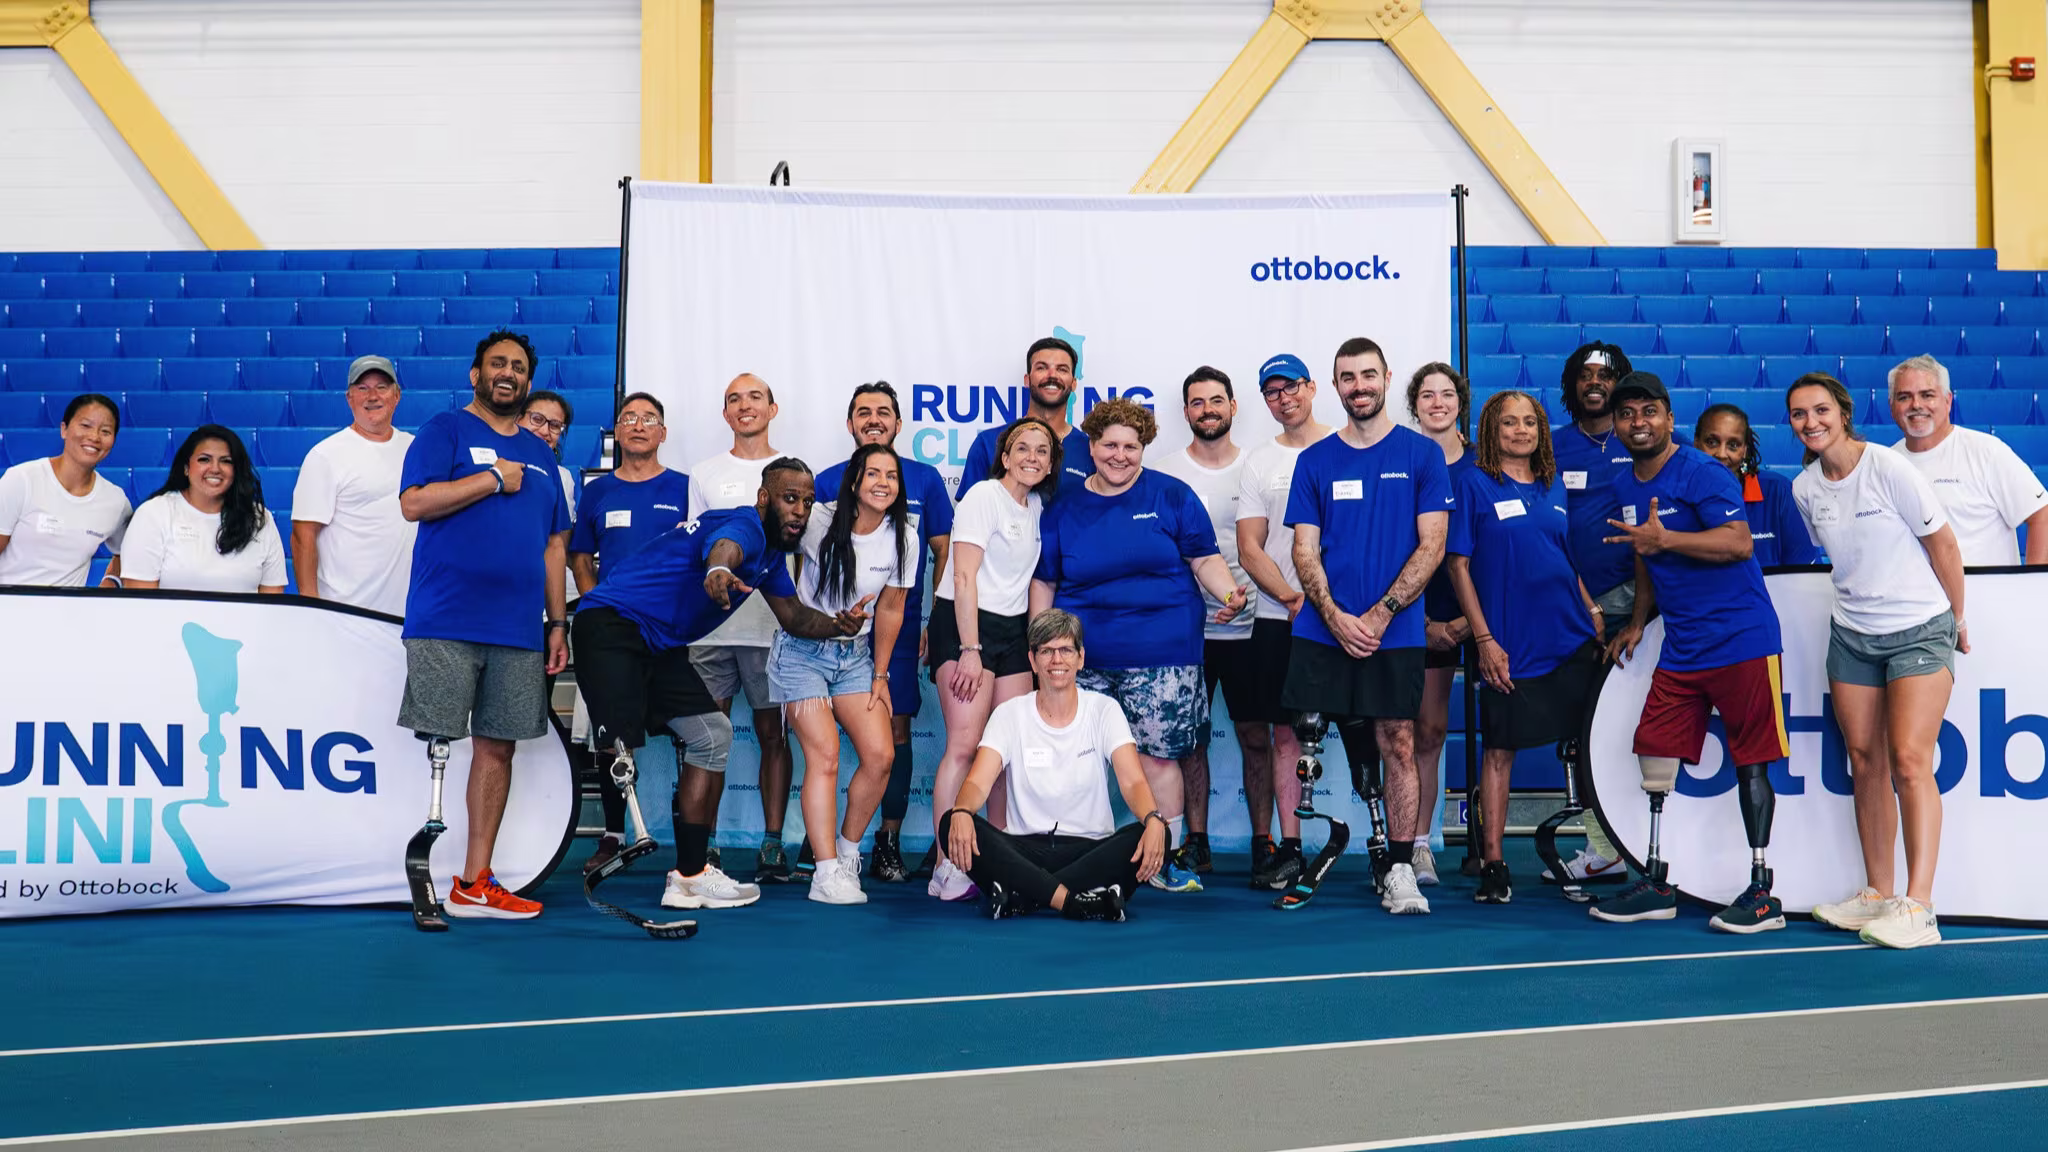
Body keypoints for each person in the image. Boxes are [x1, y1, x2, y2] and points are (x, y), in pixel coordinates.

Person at [576, 457, 869, 913]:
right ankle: (618, 838)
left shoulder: (771, 559)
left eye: (808, 503)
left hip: (659, 644)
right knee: (616, 745)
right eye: (790, 499)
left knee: (713, 734)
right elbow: (724, 547)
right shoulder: (746, 527)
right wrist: (716, 571)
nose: (800, 511)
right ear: (763, 498)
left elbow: (792, 617)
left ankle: (688, 877)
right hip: (612, 626)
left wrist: (839, 626)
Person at [1031, 396, 1248, 895]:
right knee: (1077, 758)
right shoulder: (1063, 508)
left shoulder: (1172, 495)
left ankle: (1164, 860)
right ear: (1092, 446)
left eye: (1132, 446)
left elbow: (1204, 559)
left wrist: (1228, 593)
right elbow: (1044, 582)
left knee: (1157, 760)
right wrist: (1042, 645)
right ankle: (1076, 857)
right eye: (1110, 445)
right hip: (1081, 660)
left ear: (1144, 447)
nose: (1120, 456)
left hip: (1162, 656)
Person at [1598, 371, 1790, 933]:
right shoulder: (1627, 484)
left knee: (1751, 759)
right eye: (1627, 413)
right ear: (1616, 424)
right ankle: (1657, 881)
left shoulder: (1702, 471)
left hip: (1741, 640)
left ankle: (1761, 891)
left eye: (1649, 411)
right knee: (1655, 752)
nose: (1639, 422)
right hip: (1683, 645)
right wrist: (1637, 620)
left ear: (1668, 417)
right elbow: (1643, 551)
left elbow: (1736, 543)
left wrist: (1668, 541)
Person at [1790, 372, 1968, 950]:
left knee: (1911, 760)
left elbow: (1942, 544)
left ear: (1842, 412)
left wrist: (1956, 620)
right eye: (1798, 414)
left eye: (1820, 410)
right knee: (1864, 760)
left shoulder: (1889, 468)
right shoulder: (1804, 488)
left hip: (1919, 629)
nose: (1811, 422)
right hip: (1852, 635)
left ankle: (1920, 908)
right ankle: (1878, 892)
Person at [396, 329, 570, 920]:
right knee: (438, 743)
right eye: (496, 363)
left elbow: (553, 546)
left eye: (518, 367)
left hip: (519, 629)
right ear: (476, 374)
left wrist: (557, 623)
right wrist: (493, 477)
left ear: (527, 380)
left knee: (499, 749)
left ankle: (475, 881)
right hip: (445, 618)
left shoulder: (544, 453)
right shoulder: (444, 429)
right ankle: (410, 870)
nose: (507, 373)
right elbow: (415, 503)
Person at [1283, 337, 1451, 916]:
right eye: (1347, 377)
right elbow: (1305, 550)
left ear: (1385, 379)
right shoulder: (1315, 460)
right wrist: (1333, 616)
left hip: (1395, 631)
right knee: (1296, 740)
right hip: (1323, 630)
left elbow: (1433, 545)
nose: (1359, 386)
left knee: (1397, 743)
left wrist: (1379, 615)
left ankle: (1400, 866)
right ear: (1335, 387)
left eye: (1368, 375)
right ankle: (1286, 850)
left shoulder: (1422, 456)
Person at [1445, 391, 1604, 904]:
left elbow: (1565, 556)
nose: (1520, 430)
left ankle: (1603, 852)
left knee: (1592, 748)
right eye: (1509, 422)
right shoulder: (1472, 484)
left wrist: (1594, 612)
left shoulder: (1554, 483)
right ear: (1492, 429)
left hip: (1572, 637)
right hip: (1509, 646)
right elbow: (1458, 567)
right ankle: (1494, 862)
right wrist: (1485, 639)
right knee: (1499, 752)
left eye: (1530, 422)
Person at [941, 609, 1170, 922]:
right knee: (950, 822)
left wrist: (1153, 817)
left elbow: (1133, 782)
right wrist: (963, 811)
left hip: (1092, 848)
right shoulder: (1010, 714)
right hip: (1024, 849)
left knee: (1157, 831)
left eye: (1065, 650)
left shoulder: (1104, 710)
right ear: (1033, 661)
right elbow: (978, 782)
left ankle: (1022, 896)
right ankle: (1079, 900)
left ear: (1080, 658)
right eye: (1046, 651)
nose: (1056, 660)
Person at [813, 382, 953, 883]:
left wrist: (932, 621)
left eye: (884, 413)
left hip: (897, 627)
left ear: (899, 424)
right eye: (863, 412)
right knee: (823, 742)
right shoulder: (827, 480)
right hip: (825, 634)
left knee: (893, 735)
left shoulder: (925, 478)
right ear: (849, 423)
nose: (874, 419)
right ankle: (824, 846)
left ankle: (887, 841)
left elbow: (943, 552)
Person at [773, 443, 919, 904]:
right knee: (827, 757)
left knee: (880, 756)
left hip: (856, 658)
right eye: (872, 473)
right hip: (802, 653)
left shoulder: (905, 537)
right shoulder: (817, 520)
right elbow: (768, 535)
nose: (882, 483)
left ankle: (847, 853)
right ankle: (823, 873)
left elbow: (892, 609)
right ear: (855, 481)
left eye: (891, 476)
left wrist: (880, 674)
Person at [926, 417, 1057, 901]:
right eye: (1023, 448)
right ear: (1004, 456)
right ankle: (946, 865)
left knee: (1005, 751)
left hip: (1012, 630)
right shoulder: (983, 495)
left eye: (1042, 451)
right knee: (965, 746)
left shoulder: (1040, 506)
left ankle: (999, 860)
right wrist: (970, 649)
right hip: (965, 626)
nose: (1032, 457)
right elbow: (963, 577)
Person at [568, 391, 690, 873]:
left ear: (663, 432)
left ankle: (694, 839)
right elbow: (580, 557)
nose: (639, 425)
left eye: (649, 419)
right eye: (629, 418)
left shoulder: (685, 487)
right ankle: (614, 834)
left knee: (691, 732)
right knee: (609, 735)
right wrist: (595, 601)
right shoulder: (597, 491)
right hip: (611, 636)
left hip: (667, 632)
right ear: (618, 431)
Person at [686, 374, 798, 882]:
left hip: (769, 631)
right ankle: (700, 847)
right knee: (709, 737)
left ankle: (772, 845)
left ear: (773, 408)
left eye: (755, 396)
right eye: (734, 398)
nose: (745, 405)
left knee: (773, 735)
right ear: (725, 413)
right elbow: (695, 550)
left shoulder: (791, 470)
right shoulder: (704, 472)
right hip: (711, 631)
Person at [1149, 366, 1257, 876]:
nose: (1208, 409)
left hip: (1252, 626)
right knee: (1188, 742)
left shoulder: (1257, 467)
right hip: (1184, 630)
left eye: (1217, 400)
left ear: (1233, 407)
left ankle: (1265, 843)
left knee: (1258, 737)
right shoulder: (1164, 472)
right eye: (1197, 402)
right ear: (1186, 411)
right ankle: (1195, 841)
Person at [1234, 354, 1333, 889]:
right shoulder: (1258, 461)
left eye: (1291, 386)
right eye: (1272, 392)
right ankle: (1290, 848)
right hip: (1281, 616)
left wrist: (1333, 606)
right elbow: (1250, 548)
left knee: (1372, 732)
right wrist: (1297, 600)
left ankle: (1389, 848)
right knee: (1285, 737)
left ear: (1311, 387)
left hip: (1347, 619)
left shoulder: (1346, 447)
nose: (1283, 398)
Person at [1543, 341, 1637, 886]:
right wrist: (1584, 604)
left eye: (1605, 375)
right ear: (1572, 386)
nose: (1594, 383)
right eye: (1584, 375)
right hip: (1576, 608)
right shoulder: (1552, 448)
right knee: (1581, 731)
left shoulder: (1645, 440)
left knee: (1627, 727)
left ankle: (1640, 839)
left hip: (1641, 608)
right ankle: (1602, 847)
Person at [1407, 361, 1478, 886]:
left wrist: (1469, 622)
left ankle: (1488, 848)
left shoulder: (1484, 464)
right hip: (1420, 617)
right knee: (1423, 732)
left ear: (1460, 402)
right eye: (1427, 394)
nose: (1437, 402)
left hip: (1479, 615)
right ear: (1413, 404)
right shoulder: (1402, 461)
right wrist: (1428, 620)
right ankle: (1417, 844)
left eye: (1446, 393)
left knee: (1498, 736)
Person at [1888, 354, 2048, 566]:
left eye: (1927, 395)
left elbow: (2041, 514)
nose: (1916, 404)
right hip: (1914, 597)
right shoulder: (1886, 463)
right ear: (1891, 406)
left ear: (1948, 401)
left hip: (1988, 597)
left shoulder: (1986, 452)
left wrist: (2031, 587)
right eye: (1904, 397)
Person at [290, 355, 417, 615]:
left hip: (407, 616)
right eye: (362, 388)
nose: (373, 396)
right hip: (344, 614)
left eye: (382, 387)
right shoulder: (325, 455)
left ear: (397, 396)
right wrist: (311, 607)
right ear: (349, 398)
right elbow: (303, 535)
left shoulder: (415, 449)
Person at [122, 425, 286, 594]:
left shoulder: (259, 518)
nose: (215, 468)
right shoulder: (153, 514)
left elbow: (272, 601)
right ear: (186, 468)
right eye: (204, 459)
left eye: (226, 461)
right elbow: (141, 603)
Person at [0, 393, 130, 588]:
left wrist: (109, 584)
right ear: (64, 429)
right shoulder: (22, 479)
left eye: (105, 431)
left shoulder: (115, 501)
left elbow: (130, 554)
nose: (94, 437)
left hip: (69, 615)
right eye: (85, 426)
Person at [956, 337, 1094, 502]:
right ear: (1027, 380)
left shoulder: (1090, 449)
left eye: (1062, 369)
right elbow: (968, 515)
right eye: (1042, 368)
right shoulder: (989, 442)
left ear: (1073, 383)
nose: (1052, 376)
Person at [1692, 403, 1822, 567]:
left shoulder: (1777, 492)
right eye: (1711, 442)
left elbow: (1803, 571)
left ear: (1744, 451)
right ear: (1696, 444)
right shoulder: (1678, 494)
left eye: (1733, 445)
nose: (1721, 454)